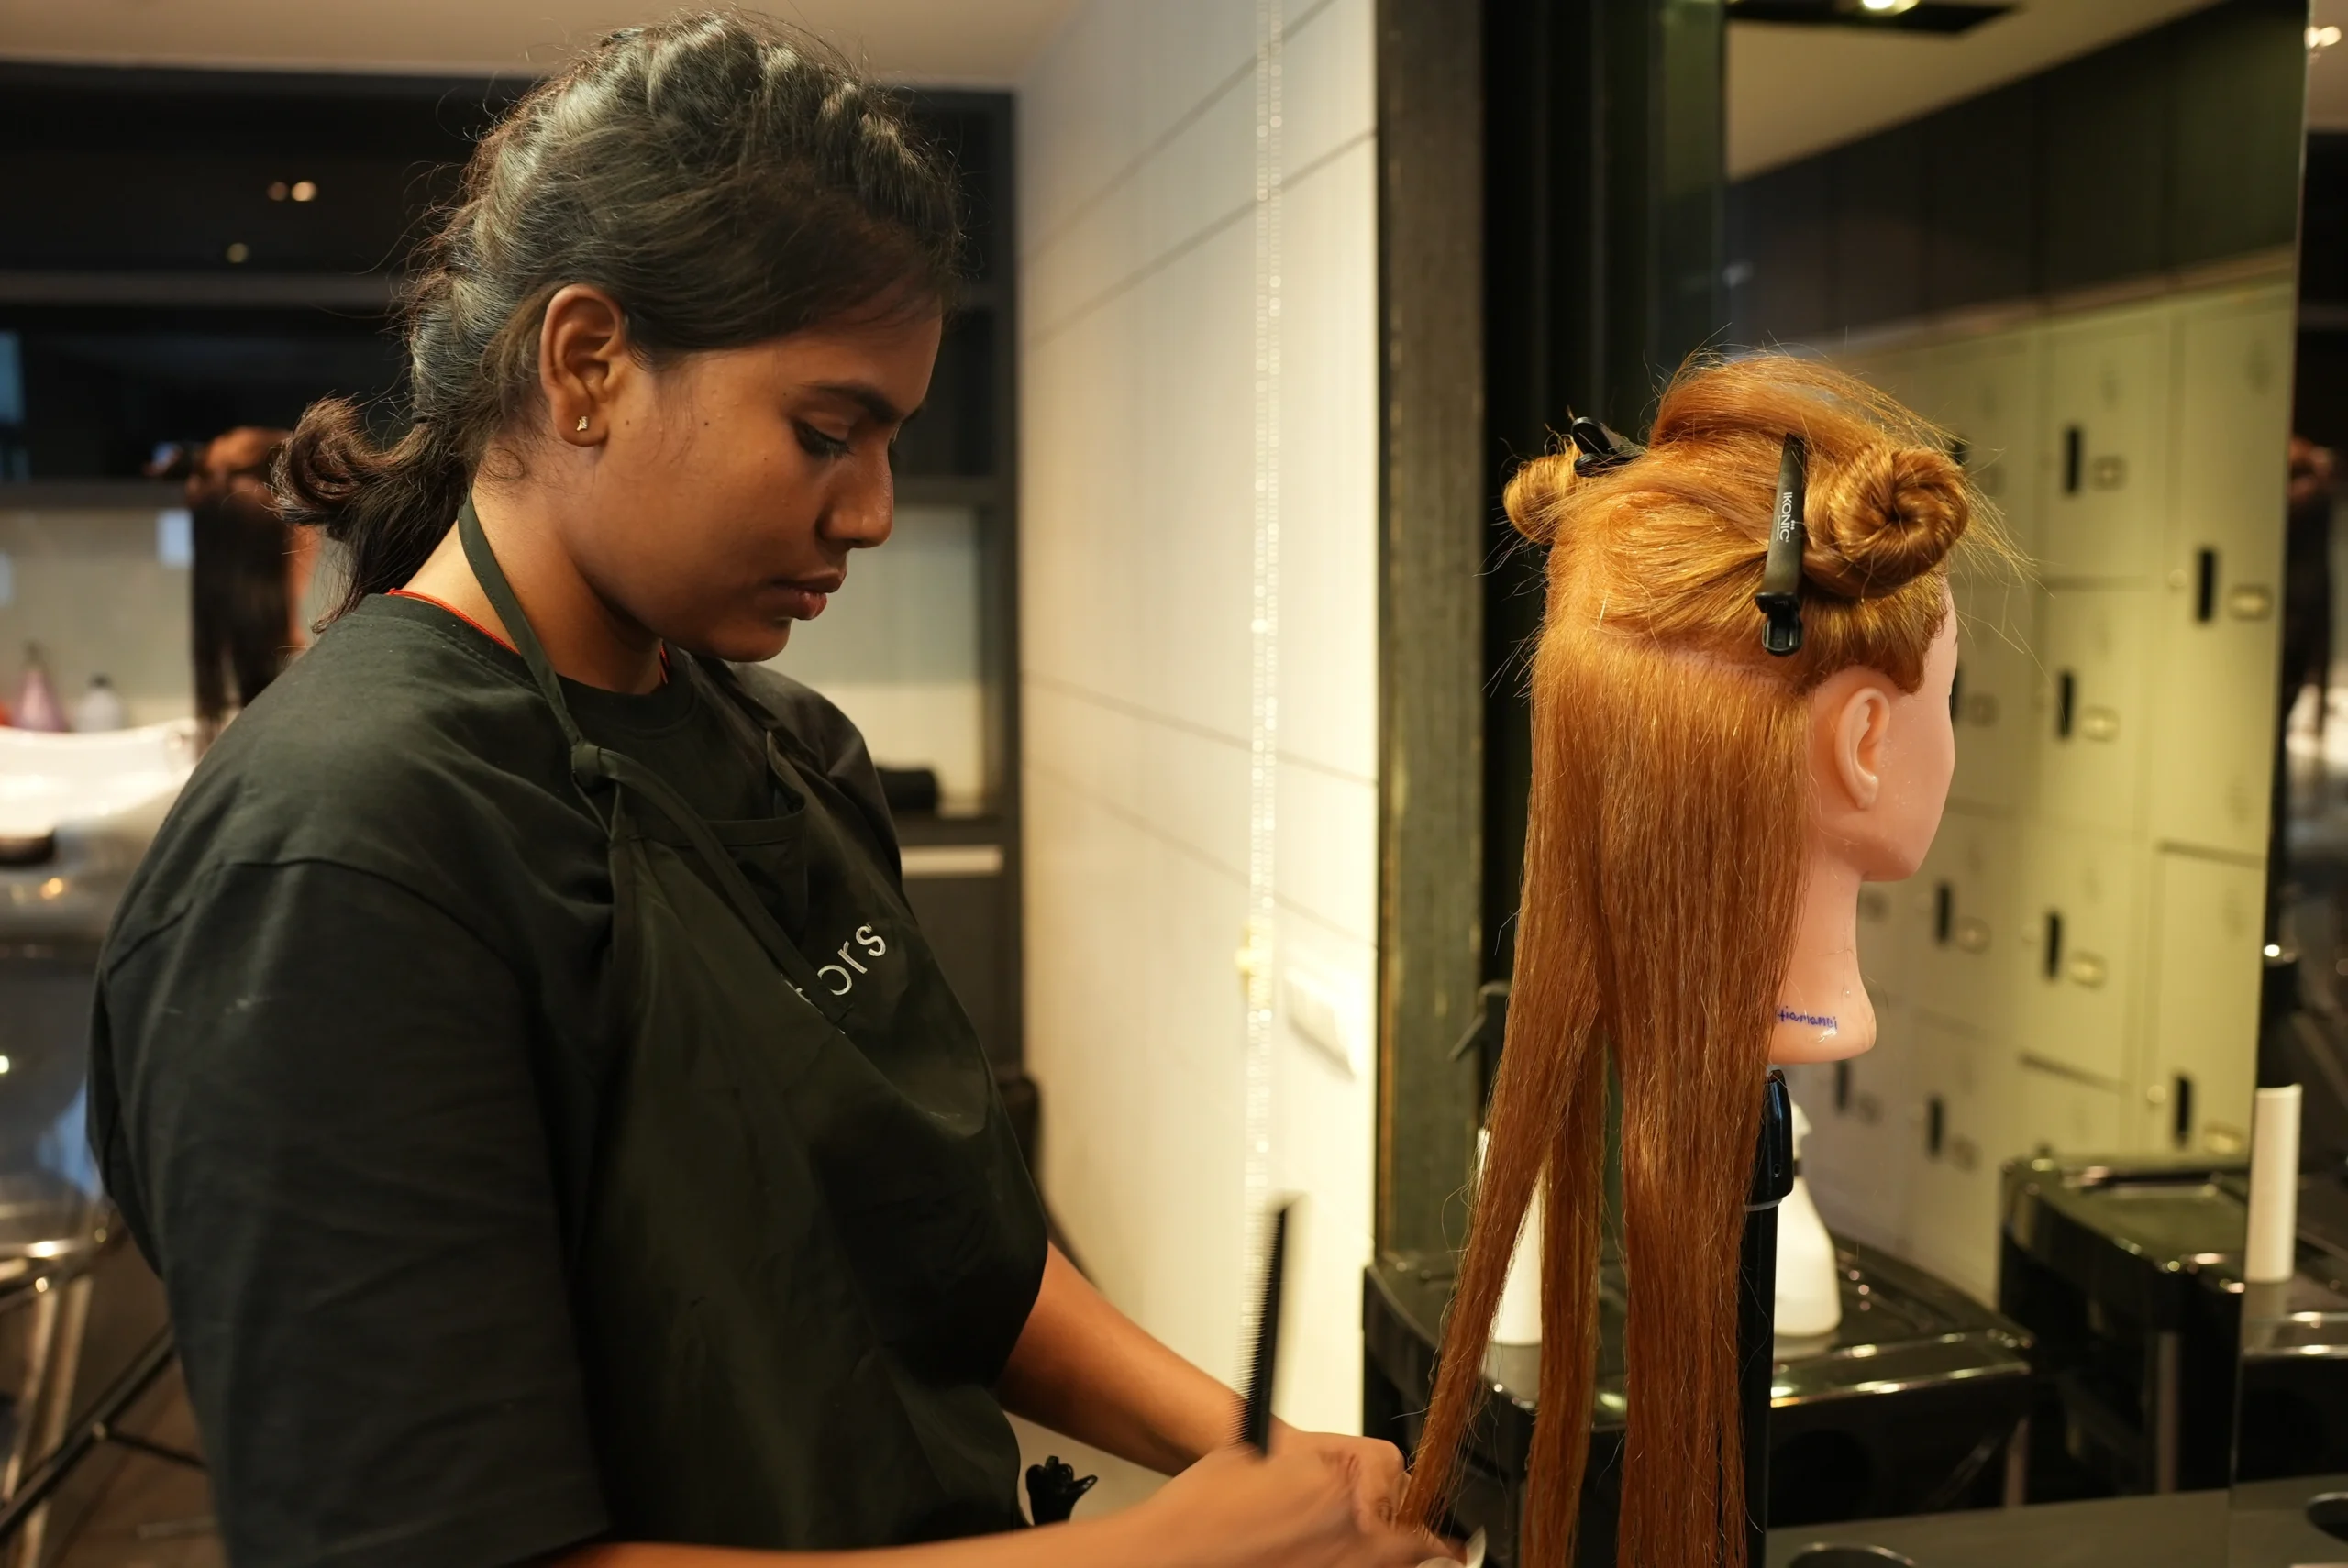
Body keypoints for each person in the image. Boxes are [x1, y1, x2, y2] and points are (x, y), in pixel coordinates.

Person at [87, 17, 1443, 1568]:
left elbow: (943, 1250)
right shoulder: (344, 857)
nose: (871, 511)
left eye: (889, 442)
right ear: (587, 363)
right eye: (824, 433)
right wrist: (1169, 1552)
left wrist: (1254, 1455)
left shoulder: (791, 751)